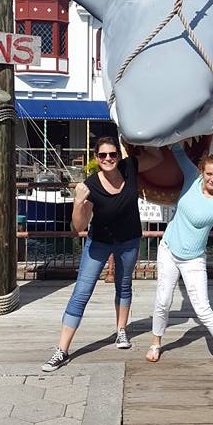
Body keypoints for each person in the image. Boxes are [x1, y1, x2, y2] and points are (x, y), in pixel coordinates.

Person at [42, 135, 162, 371]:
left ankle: (121, 331)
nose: (108, 159)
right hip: (99, 244)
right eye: (103, 155)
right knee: (81, 293)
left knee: (124, 285)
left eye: (113, 154)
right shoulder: (90, 185)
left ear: (119, 155)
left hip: (128, 240)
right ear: (96, 158)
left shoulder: (130, 167)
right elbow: (77, 227)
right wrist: (78, 202)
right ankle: (62, 350)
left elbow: (156, 157)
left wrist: (138, 135)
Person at [146, 144, 213, 380]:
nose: (212, 179)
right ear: (202, 171)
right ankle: (155, 343)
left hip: (193, 259)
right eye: (209, 173)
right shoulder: (192, 180)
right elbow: (177, 150)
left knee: (203, 310)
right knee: (163, 300)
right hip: (168, 249)